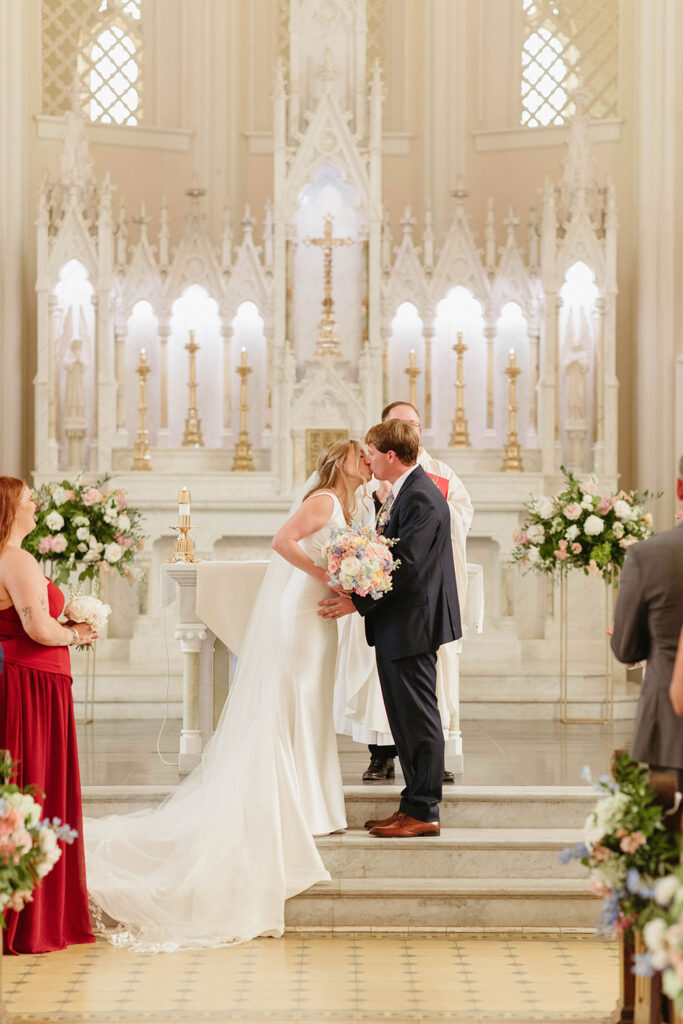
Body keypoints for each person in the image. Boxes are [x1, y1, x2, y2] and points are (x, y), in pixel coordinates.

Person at [85, 440, 371, 951]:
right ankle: (302, 806)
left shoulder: (350, 506)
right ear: (341, 464)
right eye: (360, 457)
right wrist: (326, 576)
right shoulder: (326, 500)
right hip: (299, 614)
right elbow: (282, 542)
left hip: (317, 616)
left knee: (307, 707)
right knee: (293, 704)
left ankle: (312, 803)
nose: (367, 463)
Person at [320, 420, 461, 837]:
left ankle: (424, 811)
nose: (367, 459)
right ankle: (411, 805)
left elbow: (410, 570)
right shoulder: (402, 493)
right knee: (404, 721)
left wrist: (355, 601)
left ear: (391, 456)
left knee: (418, 720)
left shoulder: (419, 497)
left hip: (413, 624)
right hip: (400, 623)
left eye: (372, 452)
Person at [0, 477, 96, 954]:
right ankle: (29, 919)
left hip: (28, 680)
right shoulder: (15, 557)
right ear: (8, 508)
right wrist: (77, 633)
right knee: (33, 785)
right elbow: (38, 628)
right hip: (29, 683)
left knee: (24, 788)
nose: (35, 502)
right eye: (28, 498)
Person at [611, 457, 683, 788]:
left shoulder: (649, 555)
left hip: (670, 728)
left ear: (680, 489)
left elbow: (626, 649)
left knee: (670, 835)